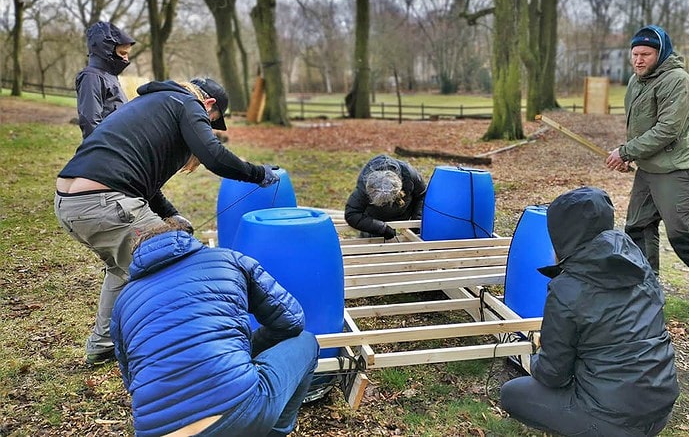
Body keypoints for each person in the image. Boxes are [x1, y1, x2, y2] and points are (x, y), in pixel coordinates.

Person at [55, 77, 281, 366]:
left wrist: (170, 214)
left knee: (121, 269)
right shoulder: (189, 103)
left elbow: (141, 182)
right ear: (209, 104)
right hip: (106, 203)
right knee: (178, 262)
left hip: (70, 203)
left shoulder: (151, 104)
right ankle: (193, 348)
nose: (207, 128)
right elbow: (214, 156)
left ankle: (103, 344)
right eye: (211, 122)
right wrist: (257, 173)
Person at [109, 219, 319, 437]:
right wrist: (249, 347)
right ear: (186, 238)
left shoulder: (123, 302)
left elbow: (131, 378)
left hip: (154, 431)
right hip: (238, 413)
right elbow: (291, 322)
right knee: (305, 341)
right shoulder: (226, 258)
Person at [500, 186, 679, 437]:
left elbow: (553, 374)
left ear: (562, 236)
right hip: (660, 407)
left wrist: (537, 357)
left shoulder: (568, 287)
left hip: (614, 420)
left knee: (512, 392)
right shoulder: (637, 263)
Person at [606, 24, 689, 315]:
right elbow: (639, 126)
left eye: (646, 54)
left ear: (660, 53)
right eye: (635, 54)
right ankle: (646, 285)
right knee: (637, 227)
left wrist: (627, 151)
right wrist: (629, 155)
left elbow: (668, 129)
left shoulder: (677, 80)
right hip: (648, 167)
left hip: (677, 168)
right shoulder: (636, 80)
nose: (639, 60)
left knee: (679, 232)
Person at [76, 21, 136, 138]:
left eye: (127, 54)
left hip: (118, 145)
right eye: (122, 53)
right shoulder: (92, 77)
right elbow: (90, 122)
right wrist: (100, 151)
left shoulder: (110, 76)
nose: (126, 58)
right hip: (105, 149)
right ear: (107, 50)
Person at [345, 154, 427, 239]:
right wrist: (381, 228)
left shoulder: (409, 174)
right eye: (382, 202)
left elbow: (422, 195)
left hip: (405, 212)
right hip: (376, 217)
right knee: (372, 244)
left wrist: (416, 223)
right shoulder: (363, 186)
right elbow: (352, 214)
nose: (387, 204)